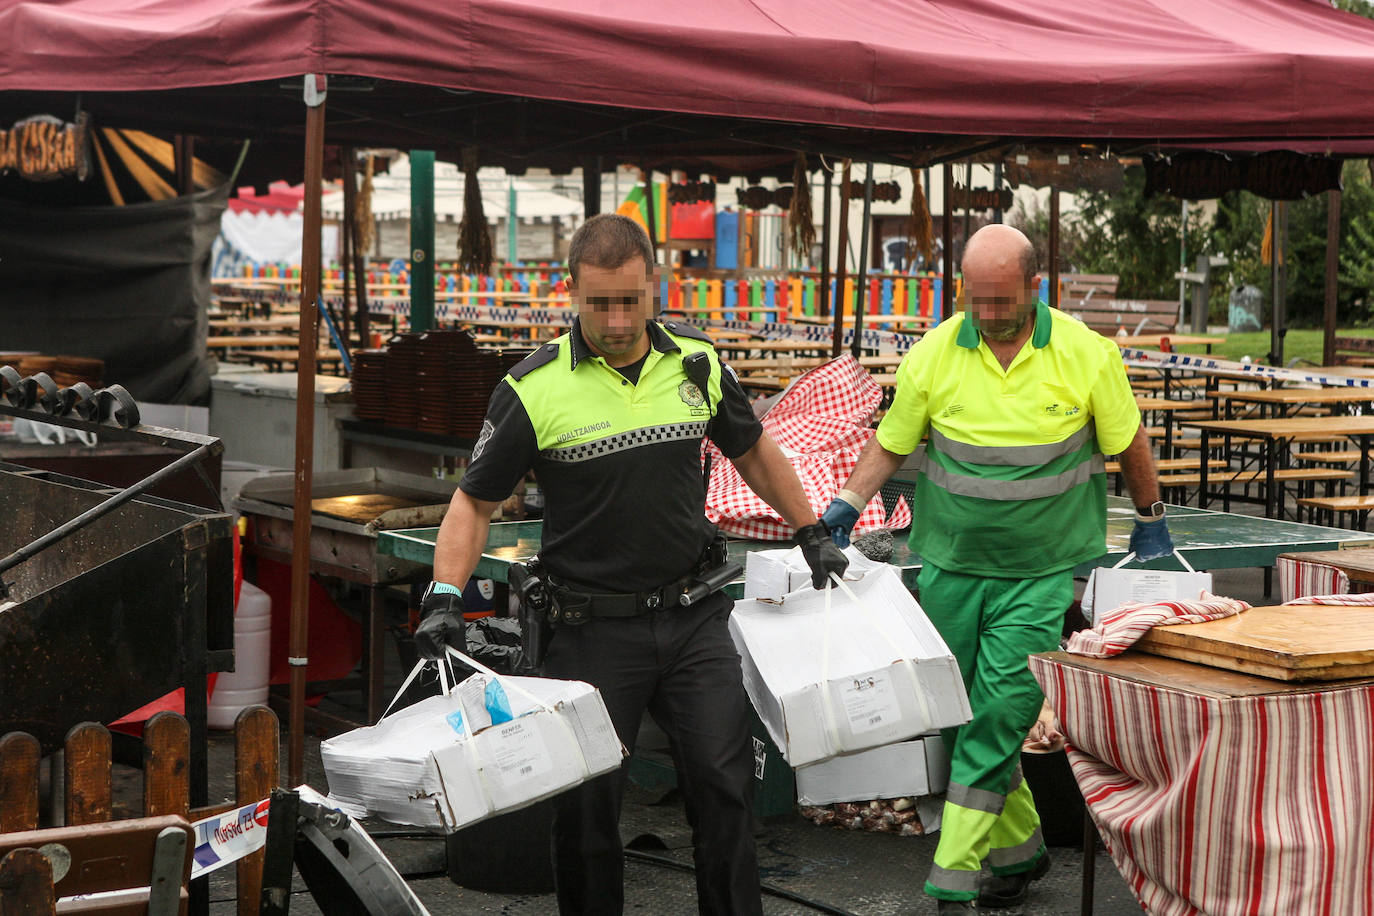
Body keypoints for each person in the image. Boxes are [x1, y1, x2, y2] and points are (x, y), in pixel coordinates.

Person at [415, 213, 848, 916]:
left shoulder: (697, 364)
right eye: (599, 303)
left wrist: (810, 529)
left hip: (693, 619)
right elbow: (474, 503)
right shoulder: (532, 388)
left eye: (630, 300)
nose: (617, 321)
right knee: (587, 809)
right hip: (589, 633)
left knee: (725, 787)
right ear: (570, 291)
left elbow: (754, 452)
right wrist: (443, 594)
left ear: (655, 286)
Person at [821, 224, 1172, 913]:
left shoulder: (1086, 354)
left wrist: (1151, 517)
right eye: (974, 299)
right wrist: (847, 503)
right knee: (958, 718)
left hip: (1040, 575)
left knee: (996, 719)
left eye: (1001, 300)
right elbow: (892, 443)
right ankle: (1019, 855)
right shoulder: (933, 353)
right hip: (950, 569)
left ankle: (950, 880)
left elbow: (1128, 439)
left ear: (1035, 287)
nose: (985, 313)